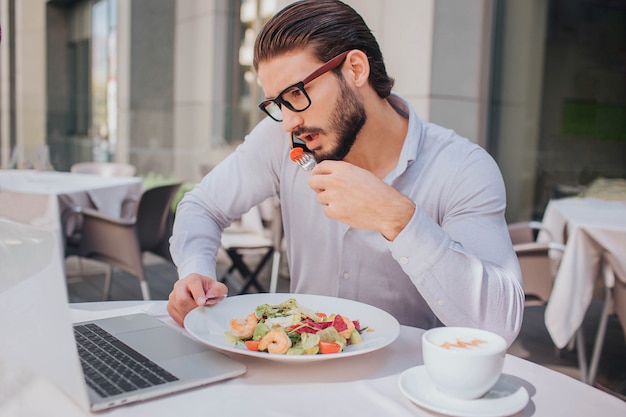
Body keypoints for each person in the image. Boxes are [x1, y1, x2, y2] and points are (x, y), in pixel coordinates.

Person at [167, 0, 524, 345]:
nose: (290, 121)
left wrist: (399, 219)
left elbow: (499, 325)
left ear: (355, 69)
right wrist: (196, 272)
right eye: (277, 104)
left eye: (296, 93)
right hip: (298, 372)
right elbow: (202, 206)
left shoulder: (461, 168)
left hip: (403, 387)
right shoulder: (283, 141)